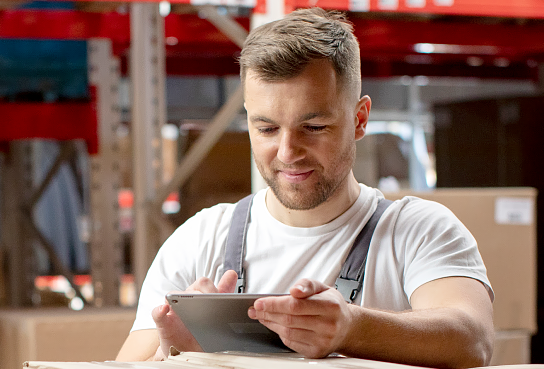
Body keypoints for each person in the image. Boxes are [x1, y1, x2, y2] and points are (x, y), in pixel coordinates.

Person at [114, 8, 495, 369]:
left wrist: (352, 327)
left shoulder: (417, 230)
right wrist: (177, 355)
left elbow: (472, 338)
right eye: (266, 129)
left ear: (360, 119)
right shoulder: (199, 240)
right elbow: (128, 363)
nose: (287, 153)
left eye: (313, 128)